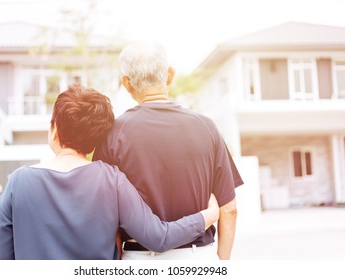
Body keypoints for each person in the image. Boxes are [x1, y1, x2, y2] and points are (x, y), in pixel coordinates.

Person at [0, 84, 219, 260]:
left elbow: (4, 262)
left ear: (54, 129)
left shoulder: (18, 183)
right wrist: (207, 216)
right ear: (96, 141)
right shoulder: (112, 180)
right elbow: (158, 237)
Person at [93, 42, 244, 260]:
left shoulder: (112, 135)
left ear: (126, 83)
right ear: (170, 75)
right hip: (198, 258)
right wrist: (222, 263)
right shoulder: (206, 127)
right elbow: (229, 209)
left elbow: (107, 217)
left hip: (138, 260)